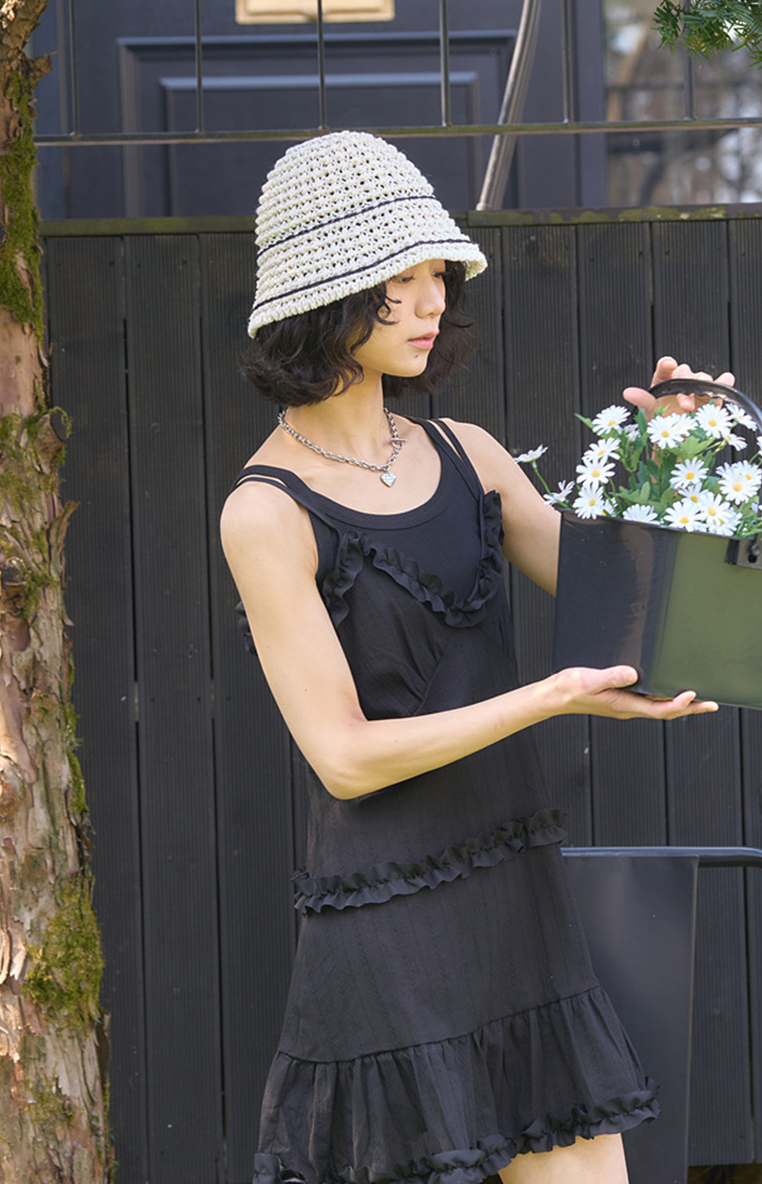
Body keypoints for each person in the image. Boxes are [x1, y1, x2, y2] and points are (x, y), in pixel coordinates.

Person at [221, 131, 727, 1184]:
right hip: (386, 933)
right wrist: (546, 699)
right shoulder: (264, 512)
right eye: (398, 281)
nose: (431, 300)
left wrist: (671, 453)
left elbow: (628, 602)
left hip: (518, 904)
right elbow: (344, 758)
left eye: (436, 274)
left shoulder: (470, 456)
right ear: (325, 294)